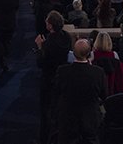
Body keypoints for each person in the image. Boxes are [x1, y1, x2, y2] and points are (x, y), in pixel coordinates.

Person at [53, 39, 107, 144]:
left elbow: (56, 93)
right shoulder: (98, 72)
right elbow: (104, 94)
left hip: (68, 118)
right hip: (90, 118)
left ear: (73, 53)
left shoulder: (62, 71)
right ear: (89, 53)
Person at [36, 11, 72, 143]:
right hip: (63, 78)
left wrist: (40, 47)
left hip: (49, 79)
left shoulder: (49, 42)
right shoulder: (67, 37)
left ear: (50, 25)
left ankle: (45, 138)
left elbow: (41, 63)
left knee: (46, 111)